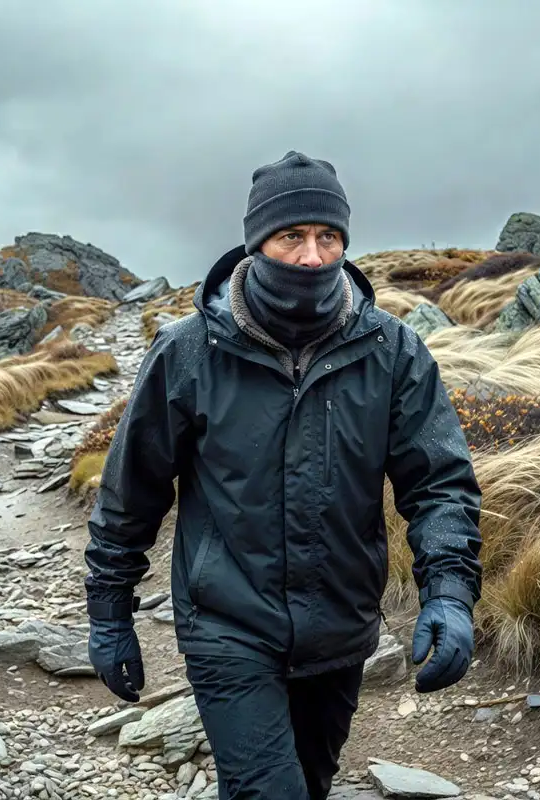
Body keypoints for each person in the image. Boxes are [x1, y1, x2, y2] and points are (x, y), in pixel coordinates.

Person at [83, 150, 483, 799]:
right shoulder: (189, 352)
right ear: (256, 242)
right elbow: (133, 491)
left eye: (328, 236)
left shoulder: (393, 352)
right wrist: (108, 613)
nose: (311, 256)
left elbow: (438, 483)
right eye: (291, 236)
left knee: (311, 783)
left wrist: (449, 593)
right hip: (228, 625)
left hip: (340, 627)